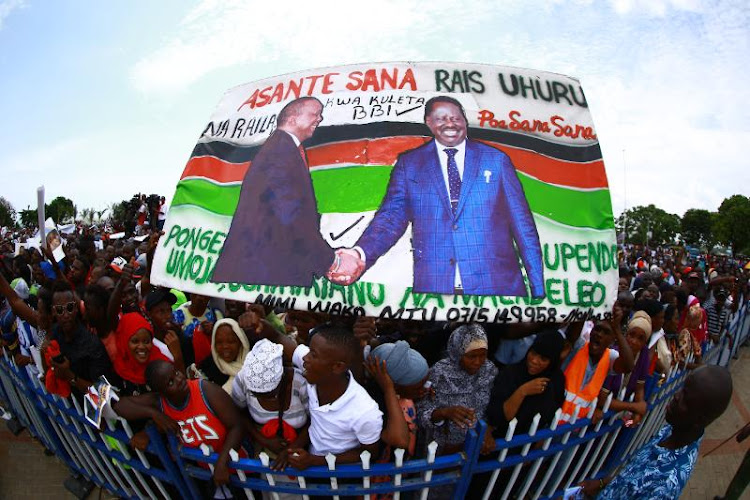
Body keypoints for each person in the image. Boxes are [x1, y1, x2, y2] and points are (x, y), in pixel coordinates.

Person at [328, 95, 545, 297]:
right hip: (436, 292)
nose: (450, 123)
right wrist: (360, 253)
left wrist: (538, 291)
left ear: (465, 121)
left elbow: (523, 225)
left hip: (497, 287)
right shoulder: (410, 165)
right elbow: (391, 218)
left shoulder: (496, 160)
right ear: (429, 123)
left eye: (455, 117)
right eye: (441, 118)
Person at [212, 97, 334, 287]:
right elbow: (291, 214)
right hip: (262, 272)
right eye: (314, 114)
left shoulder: (284, 148)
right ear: (292, 119)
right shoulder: (280, 151)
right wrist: (330, 260)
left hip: (265, 269)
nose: (319, 119)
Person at [239, 313, 383, 470]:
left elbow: (370, 453)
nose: (305, 358)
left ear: (337, 367)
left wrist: (315, 461)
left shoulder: (365, 412)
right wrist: (256, 322)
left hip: (341, 481)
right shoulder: (315, 371)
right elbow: (276, 336)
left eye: (313, 354)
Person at [581, 365, 733, 499]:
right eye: (682, 389)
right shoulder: (673, 431)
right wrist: (602, 483)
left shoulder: (665, 485)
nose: (676, 396)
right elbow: (631, 477)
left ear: (699, 419)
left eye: (686, 398)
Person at [113, 360, 246, 489]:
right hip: (206, 471)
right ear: (161, 392)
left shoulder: (205, 389)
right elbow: (120, 405)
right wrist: (154, 414)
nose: (179, 379)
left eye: (176, 373)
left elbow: (237, 426)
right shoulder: (160, 402)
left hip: (239, 464)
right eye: (170, 382)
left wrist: (222, 462)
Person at [231, 338, 309, 475]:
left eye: (269, 394)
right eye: (256, 395)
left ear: (281, 378)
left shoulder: (301, 383)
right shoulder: (243, 380)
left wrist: (290, 450)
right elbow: (238, 413)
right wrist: (264, 441)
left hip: (300, 451)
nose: (262, 398)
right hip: (263, 451)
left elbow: (315, 421)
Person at [417, 324, 498, 454]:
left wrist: (487, 429)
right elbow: (421, 414)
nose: (477, 362)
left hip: (472, 445)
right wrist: (444, 413)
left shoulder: (489, 371)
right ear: (457, 353)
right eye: (471, 356)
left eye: (483, 355)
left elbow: (488, 408)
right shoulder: (439, 373)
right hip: (438, 448)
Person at [486, 329, 565, 439]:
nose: (534, 361)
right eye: (533, 353)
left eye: (543, 359)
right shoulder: (510, 374)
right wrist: (523, 391)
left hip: (531, 447)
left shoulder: (557, 381)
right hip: (501, 442)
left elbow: (552, 418)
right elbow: (499, 416)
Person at [112, 312, 170, 396]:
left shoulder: (163, 366)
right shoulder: (119, 366)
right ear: (124, 341)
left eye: (146, 341)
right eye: (135, 341)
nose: (142, 347)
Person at [192, 318, 250, 394]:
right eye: (219, 342)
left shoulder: (253, 364)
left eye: (231, 341)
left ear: (240, 342)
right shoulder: (207, 367)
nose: (225, 346)